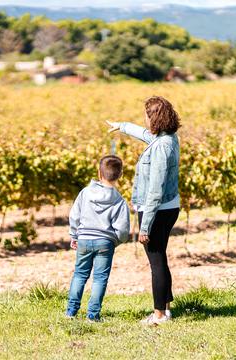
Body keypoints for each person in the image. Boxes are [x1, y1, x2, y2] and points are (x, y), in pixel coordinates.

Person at [107, 96, 181, 326]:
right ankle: (166, 308)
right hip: (169, 207)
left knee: (156, 262)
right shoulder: (169, 138)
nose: (144, 119)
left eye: (146, 115)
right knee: (161, 258)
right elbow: (145, 135)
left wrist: (145, 226)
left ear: (154, 117)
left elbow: (155, 191)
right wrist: (123, 126)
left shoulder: (160, 148)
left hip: (156, 210)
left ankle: (158, 315)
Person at [65, 155, 130, 322]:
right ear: (120, 175)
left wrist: (74, 234)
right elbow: (123, 229)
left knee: (79, 274)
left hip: (84, 239)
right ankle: (92, 315)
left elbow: (74, 215)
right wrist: (115, 241)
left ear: (98, 172)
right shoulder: (119, 201)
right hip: (105, 243)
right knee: (100, 278)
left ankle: (71, 312)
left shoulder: (85, 193)